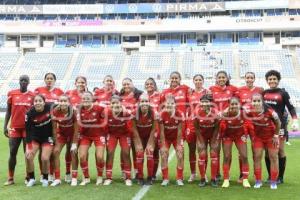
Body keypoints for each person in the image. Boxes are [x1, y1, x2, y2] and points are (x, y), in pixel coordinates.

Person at [263, 70, 298, 184]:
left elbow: (291, 107)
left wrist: (295, 120)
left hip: (280, 126)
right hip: (267, 127)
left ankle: (280, 177)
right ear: (267, 81)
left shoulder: (283, 93)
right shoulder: (264, 93)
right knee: (268, 152)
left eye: (274, 79)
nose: (272, 81)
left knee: (280, 151)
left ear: (278, 80)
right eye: (270, 79)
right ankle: (270, 176)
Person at [3, 75, 34, 185]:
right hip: (15, 128)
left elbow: (34, 113)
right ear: (19, 81)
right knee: (12, 152)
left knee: (27, 153)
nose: (23, 82)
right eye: (22, 80)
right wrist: (5, 125)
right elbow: (8, 111)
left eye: (26, 80)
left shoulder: (32, 95)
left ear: (29, 82)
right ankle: (10, 178)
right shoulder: (12, 93)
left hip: (27, 129)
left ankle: (28, 177)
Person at [247, 93, 281, 189]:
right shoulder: (249, 111)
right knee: (257, 157)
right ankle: (258, 181)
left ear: (262, 102)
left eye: (258, 101)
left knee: (273, 157)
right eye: (254, 101)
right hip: (258, 138)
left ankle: (273, 182)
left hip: (271, 137)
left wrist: (276, 135)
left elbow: (278, 123)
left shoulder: (270, 111)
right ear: (251, 102)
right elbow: (239, 112)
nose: (256, 103)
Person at [35, 72, 64, 182]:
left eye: (51, 78)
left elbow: (62, 106)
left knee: (51, 151)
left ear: (54, 80)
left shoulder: (59, 92)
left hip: (53, 125)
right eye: (47, 78)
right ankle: (43, 173)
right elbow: (35, 105)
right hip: (41, 125)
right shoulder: (38, 90)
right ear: (44, 80)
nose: (49, 80)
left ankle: (51, 173)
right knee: (41, 152)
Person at [209, 70, 238, 180]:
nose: (221, 79)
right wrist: (216, 113)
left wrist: (226, 111)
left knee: (227, 152)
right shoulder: (211, 89)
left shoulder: (233, 89)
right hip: (215, 124)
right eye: (219, 77)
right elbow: (208, 104)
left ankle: (227, 173)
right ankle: (217, 174)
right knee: (216, 149)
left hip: (228, 124)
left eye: (223, 77)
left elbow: (237, 101)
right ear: (216, 78)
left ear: (227, 78)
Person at [236, 72, 263, 182]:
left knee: (255, 150)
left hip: (256, 124)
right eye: (247, 77)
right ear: (245, 78)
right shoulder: (240, 90)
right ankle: (242, 174)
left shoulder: (260, 90)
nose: (249, 79)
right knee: (241, 152)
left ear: (254, 79)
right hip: (243, 124)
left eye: (251, 78)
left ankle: (256, 175)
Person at [219, 98, 251, 188]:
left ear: (239, 104)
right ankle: (226, 179)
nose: (234, 106)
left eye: (235, 104)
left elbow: (249, 121)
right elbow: (218, 120)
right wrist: (221, 115)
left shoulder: (243, 113)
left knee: (244, 156)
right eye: (232, 104)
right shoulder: (225, 114)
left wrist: (246, 134)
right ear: (229, 105)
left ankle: (245, 179)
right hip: (227, 136)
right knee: (226, 156)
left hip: (239, 136)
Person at [77, 92, 106, 186]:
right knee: (82, 156)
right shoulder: (79, 109)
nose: (85, 100)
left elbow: (110, 108)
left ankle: (100, 177)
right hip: (85, 136)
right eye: (84, 98)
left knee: (100, 157)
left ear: (92, 99)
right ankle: (86, 177)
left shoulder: (99, 108)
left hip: (98, 135)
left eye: (88, 98)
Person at [25, 95, 54, 187]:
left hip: (47, 137)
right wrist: (29, 147)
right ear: (33, 103)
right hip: (35, 137)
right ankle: (32, 178)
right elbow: (27, 130)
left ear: (44, 102)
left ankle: (45, 179)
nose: (38, 102)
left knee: (45, 158)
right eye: (36, 101)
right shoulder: (29, 113)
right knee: (28, 156)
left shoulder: (50, 106)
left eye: (40, 101)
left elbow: (63, 104)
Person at [104, 95, 133, 186]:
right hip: (112, 134)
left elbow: (132, 119)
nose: (115, 105)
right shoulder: (106, 112)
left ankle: (128, 177)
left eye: (117, 103)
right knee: (110, 152)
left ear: (121, 103)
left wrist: (126, 112)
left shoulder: (126, 113)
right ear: (110, 104)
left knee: (126, 153)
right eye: (113, 103)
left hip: (124, 134)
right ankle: (108, 177)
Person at [51, 95, 79, 186]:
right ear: (58, 102)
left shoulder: (73, 111)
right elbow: (54, 129)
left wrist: (74, 143)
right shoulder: (55, 111)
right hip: (62, 134)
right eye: (61, 101)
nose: (63, 103)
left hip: (72, 134)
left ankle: (74, 177)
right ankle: (57, 178)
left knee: (73, 152)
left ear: (69, 102)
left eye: (65, 101)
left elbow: (76, 129)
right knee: (55, 151)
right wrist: (55, 141)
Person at [186, 74, 208, 183]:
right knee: (191, 149)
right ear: (193, 81)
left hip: (203, 124)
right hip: (191, 124)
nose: (198, 81)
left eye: (200, 80)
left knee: (203, 149)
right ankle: (193, 173)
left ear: (203, 81)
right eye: (196, 80)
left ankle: (204, 173)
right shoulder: (190, 93)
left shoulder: (207, 93)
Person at [194, 94, 219, 187]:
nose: (204, 103)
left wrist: (213, 141)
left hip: (213, 135)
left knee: (213, 154)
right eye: (202, 102)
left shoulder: (215, 112)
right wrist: (201, 142)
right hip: (202, 136)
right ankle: (202, 178)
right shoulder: (196, 113)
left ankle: (213, 179)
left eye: (206, 102)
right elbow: (196, 129)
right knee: (202, 155)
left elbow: (217, 128)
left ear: (210, 103)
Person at [159, 95, 184, 186]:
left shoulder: (179, 114)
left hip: (176, 138)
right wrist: (164, 146)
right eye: (168, 103)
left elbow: (180, 130)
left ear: (175, 104)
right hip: (166, 138)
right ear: (165, 104)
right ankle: (165, 178)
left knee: (180, 155)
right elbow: (161, 131)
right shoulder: (162, 114)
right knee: (164, 154)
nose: (170, 105)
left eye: (172, 103)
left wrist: (178, 145)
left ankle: (179, 178)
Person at [132, 94, 157, 185]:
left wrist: (150, 143)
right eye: (142, 101)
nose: (144, 103)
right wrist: (138, 143)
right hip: (139, 136)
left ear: (149, 102)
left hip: (150, 135)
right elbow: (134, 129)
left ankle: (150, 177)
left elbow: (154, 129)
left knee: (150, 153)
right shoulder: (135, 113)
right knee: (139, 153)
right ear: (139, 103)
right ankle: (140, 177)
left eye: (146, 101)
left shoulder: (153, 113)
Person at [144, 77, 160, 180]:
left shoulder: (159, 95)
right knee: (144, 151)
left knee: (155, 151)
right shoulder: (142, 96)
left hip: (156, 127)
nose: (149, 85)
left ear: (154, 85)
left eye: (151, 84)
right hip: (144, 128)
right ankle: (141, 173)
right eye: (147, 84)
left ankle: (153, 174)